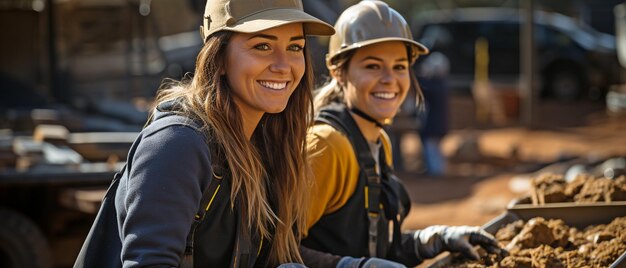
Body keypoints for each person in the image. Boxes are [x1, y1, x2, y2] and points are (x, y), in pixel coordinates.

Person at [77, 0, 335, 267]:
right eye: (263, 46)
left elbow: (276, 257)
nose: (283, 65)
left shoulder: (267, 145)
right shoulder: (178, 143)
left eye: (295, 47)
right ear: (219, 58)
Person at [300, 1, 503, 267]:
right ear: (338, 71)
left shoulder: (377, 140)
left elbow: (376, 248)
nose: (389, 79)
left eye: (399, 66)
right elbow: (272, 250)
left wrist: (431, 240)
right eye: (372, 66)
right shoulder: (326, 145)